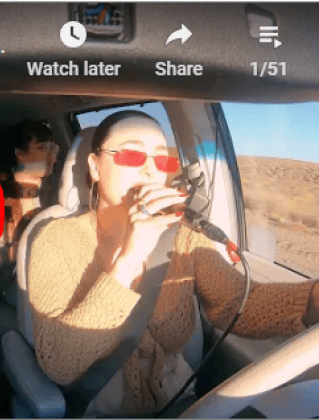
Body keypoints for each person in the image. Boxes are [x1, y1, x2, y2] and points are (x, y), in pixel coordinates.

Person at [27, 110, 319, 417]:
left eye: (162, 161)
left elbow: (235, 301)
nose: (150, 171)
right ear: (94, 166)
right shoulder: (55, 238)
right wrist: (130, 256)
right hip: (97, 411)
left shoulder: (181, 235)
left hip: (181, 404)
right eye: (131, 155)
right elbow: (60, 363)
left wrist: (311, 299)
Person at [0, 121, 59, 291]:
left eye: (52, 148)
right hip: (12, 286)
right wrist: (9, 256)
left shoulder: (63, 189)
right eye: (42, 148)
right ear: (20, 154)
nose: (51, 155)